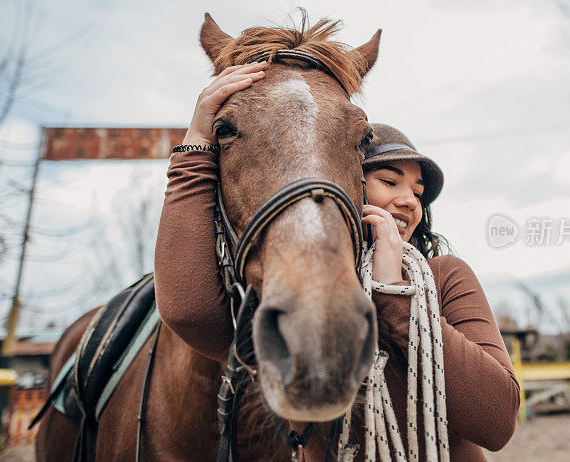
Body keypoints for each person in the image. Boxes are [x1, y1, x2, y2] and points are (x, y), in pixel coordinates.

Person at [154, 61, 519, 460]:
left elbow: (498, 421)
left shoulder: (445, 276)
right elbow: (189, 310)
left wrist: (395, 294)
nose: (408, 200)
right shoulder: (295, 297)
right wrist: (195, 144)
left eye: (418, 192)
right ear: (349, 183)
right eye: (390, 181)